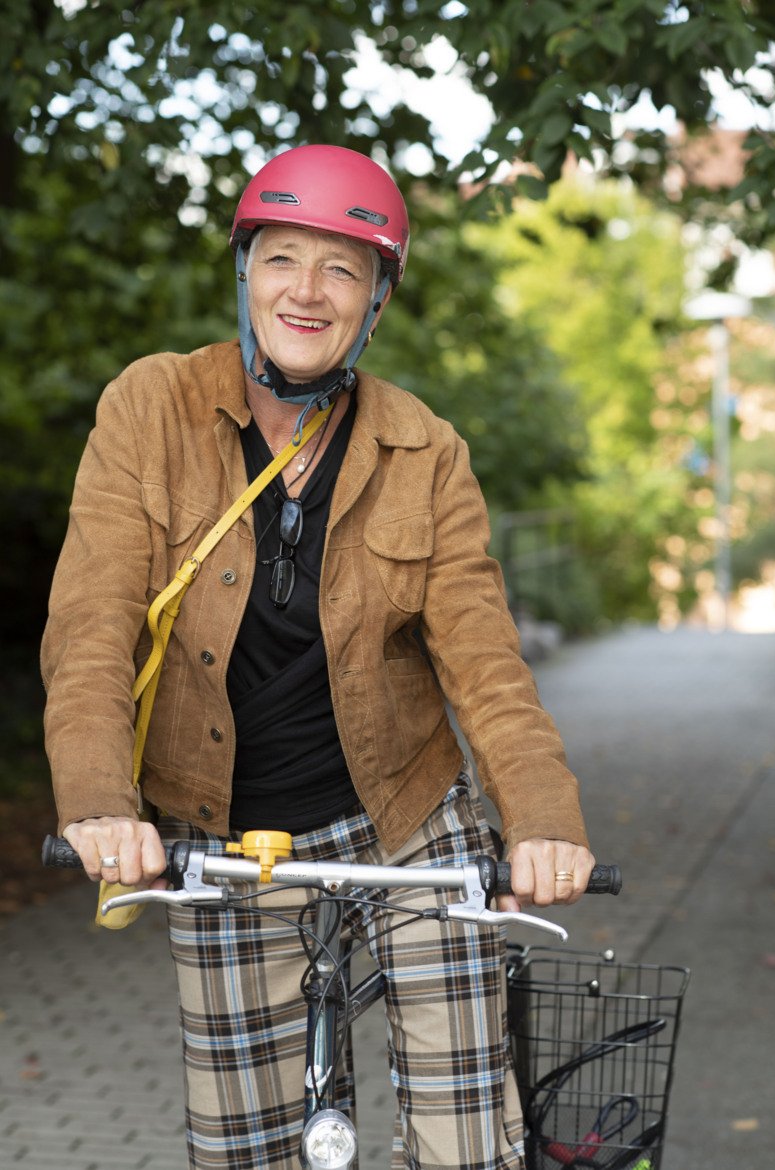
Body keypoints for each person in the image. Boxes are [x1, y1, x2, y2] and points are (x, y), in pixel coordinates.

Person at [42, 144, 594, 1170]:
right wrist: (100, 804)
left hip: (407, 819)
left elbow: (486, 666)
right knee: (244, 1147)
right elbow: (92, 627)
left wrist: (544, 822)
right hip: (224, 833)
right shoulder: (151, 407)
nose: (307, 291)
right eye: (283, 259)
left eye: (342, 269)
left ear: (375, 302)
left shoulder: (425, 449)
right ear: (244, 271)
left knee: (469, 1136)